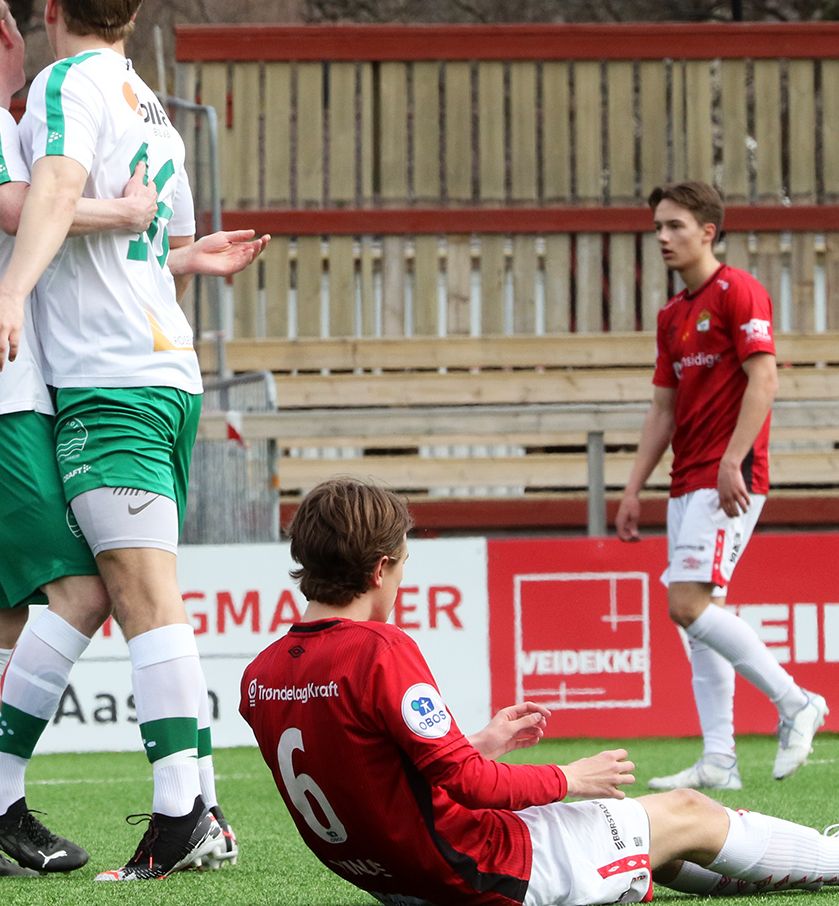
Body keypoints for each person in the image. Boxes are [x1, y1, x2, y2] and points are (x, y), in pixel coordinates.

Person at [0, 0, 269, 880]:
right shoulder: (155, 109)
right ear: (133, 13)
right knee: (108, 597)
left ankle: (183, 814)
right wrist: (184, 257)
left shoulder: (65, 88)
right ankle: (177, 806)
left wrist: (10, 293)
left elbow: (53, 194)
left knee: (142, 597)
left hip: (111, 381)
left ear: (51, 7)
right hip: (160, 370)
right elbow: (125, 241)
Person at [243, 476, 839, 906]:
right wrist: (570, 777)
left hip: (400, 881)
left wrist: (479, 739)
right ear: (379, 570)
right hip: (482, 872)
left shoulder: (261, 675)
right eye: (401, 565)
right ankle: (830, 859)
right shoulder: (380, 649)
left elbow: (367, 764)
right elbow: (468, 785)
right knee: (686, 811)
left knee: (652, 834)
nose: (401, 579)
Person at [0, 0, 161, 877]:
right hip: (1, 396)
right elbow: (24, 212)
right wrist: (129, 213)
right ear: (4, 32)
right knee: (81, 595)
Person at [617, 181, 826, 789]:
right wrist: (633, 489)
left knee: (685, 603)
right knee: (698, 613)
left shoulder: (740, 292)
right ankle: (719, 760)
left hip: (727, 479)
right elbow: (662, 411)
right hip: (687, 482)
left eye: (675, 225)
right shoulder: (672, 316)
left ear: (708, 231)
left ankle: (795, 702)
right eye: (657, 226)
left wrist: (734, 460)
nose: (662, 236)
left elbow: (764, 380)